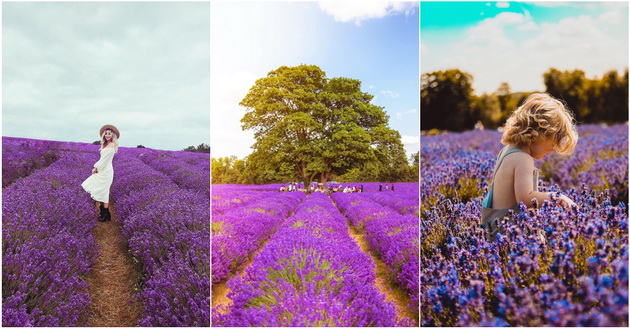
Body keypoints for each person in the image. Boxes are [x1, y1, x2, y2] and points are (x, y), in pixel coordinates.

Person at [481, 93, 578, 240]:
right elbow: (526, 199)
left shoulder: (507, 151)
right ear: (541, 134)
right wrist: (558, 198)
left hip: (495, 229)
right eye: (553, 142)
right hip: (508, 234)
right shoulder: (522, 159)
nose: (553, 149)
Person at [82, 124, 120, 222]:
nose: (107, 135)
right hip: (102, 169)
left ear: (113, 136)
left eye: (109, 134)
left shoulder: (111, 145)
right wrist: (97, 167)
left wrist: (95, 167)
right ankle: (102, 213)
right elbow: (102, 159)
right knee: (99, 190)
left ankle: (106, 215)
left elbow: (103, 160)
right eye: (106, 134)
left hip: (106, 171)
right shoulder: (105, 144)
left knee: (104, 192)